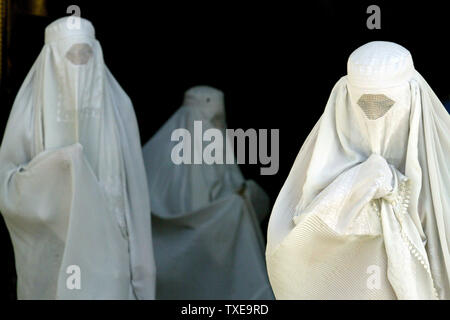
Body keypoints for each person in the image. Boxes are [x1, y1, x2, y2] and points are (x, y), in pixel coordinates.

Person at [266, 41, 450, 300]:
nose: (375, 119)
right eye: (364, 106)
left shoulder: (443, 161)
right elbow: (291, 255)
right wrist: (352, 191)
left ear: (414, 98)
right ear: (346, 99)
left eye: (386, 106)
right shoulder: (320, 170)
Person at [0, 17, 156, 299]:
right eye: (71, 56)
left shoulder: (120, 109)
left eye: (86, 55)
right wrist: (57, 168)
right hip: (53, 261)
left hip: (112, 260)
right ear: (52, 61)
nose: (80, 65)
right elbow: (8, 190)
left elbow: (137, 198)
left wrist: (143, 277)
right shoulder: (28, 111)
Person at [143, 86, 273, 299]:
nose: (215, 128)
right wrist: (234, 204)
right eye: (211, 121)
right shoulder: (164, 156)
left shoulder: (215, 150)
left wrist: (243, 197)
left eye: (218, 121)